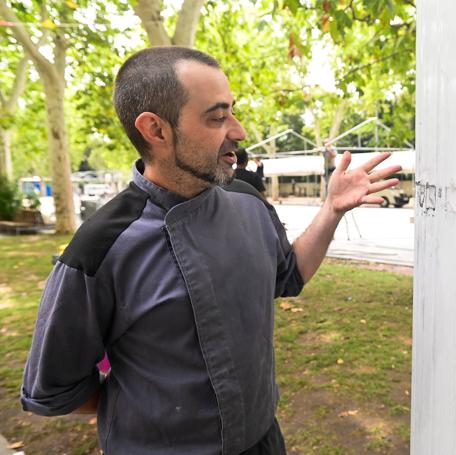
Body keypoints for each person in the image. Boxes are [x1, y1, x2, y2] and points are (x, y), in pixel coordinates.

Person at [20, 46, 401, 455]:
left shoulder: (248, 201)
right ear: (156, 130)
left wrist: (332, 210)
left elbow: (288, 276)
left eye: (232, 112)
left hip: (263, 441)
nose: (238, 130)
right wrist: (153, 413)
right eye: (217, 117)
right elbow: (55, 389)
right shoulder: (101, 247)